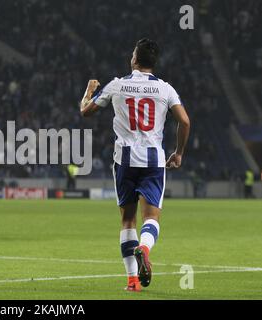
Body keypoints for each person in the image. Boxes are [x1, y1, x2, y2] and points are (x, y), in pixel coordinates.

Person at [79, 38, 190, 292]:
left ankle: (132, 282)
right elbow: (184, 122)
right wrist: (179, 153)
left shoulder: (117, 85)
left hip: (125, 160)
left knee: (128, 221)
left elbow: (85, 111)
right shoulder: (166, 89)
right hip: (153, 160)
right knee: (151, 218)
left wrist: (88, 91)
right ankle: (145, 248)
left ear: (134, 59)